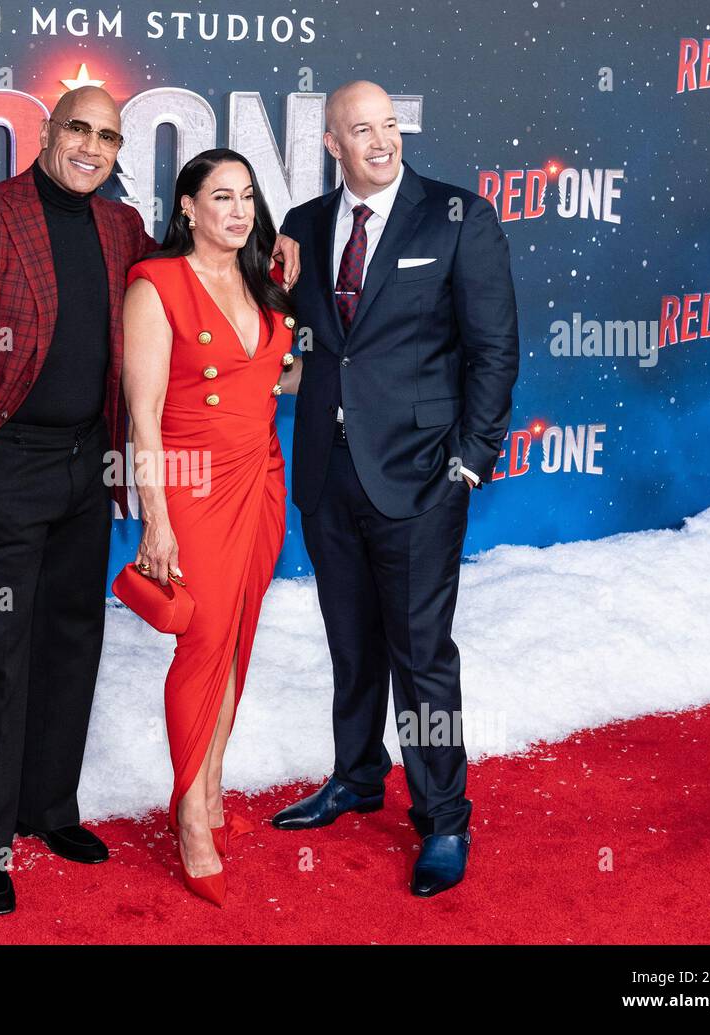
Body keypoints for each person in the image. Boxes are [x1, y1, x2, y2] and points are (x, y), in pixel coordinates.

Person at [0, 89, 301, 916]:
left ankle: (49, 808)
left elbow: (197, 275)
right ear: (46, 134)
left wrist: (267, 252)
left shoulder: (119, 232)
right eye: (78, 129)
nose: (93, 146)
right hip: (3, 468)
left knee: (73, 643)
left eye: (109, 136)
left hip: (88, 469)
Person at [269, 81, 519, 897]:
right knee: (351, 644)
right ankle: (356, 776)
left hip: (421, 477)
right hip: (327, 472)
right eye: (360, 130)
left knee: (421, 658)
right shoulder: (303, 225)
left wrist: (471, 460)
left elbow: (494, 350)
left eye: (389, 126)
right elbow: (297, 339)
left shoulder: (458, 217)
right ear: (331, 142)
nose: (381, 141)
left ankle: (444, 813)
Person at [123, 148, 301, 907]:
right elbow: (143, 415)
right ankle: (190, 815)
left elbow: (271, 371)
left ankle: (215, 781)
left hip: (261, 475)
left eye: (248, 198)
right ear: (187, 207)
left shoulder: (264, 280)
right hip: (190, 485)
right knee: (200, 645)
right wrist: (154, 520)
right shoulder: (155, 284)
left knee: (237, 635)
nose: (237, 211)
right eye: (220, 197)